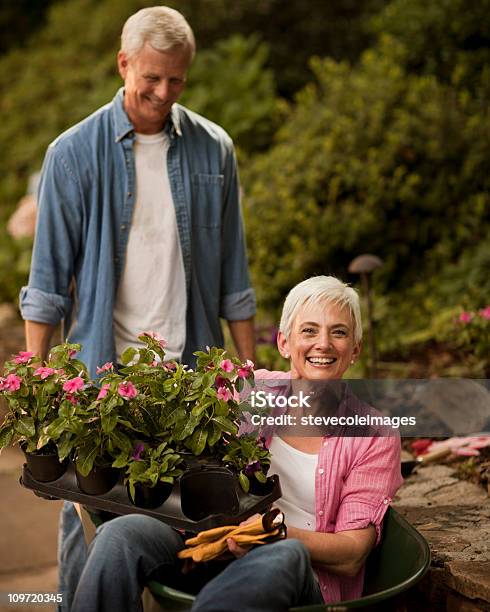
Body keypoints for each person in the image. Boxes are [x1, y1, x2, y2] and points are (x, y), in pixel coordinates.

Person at [19, 6, 256, 609]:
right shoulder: (72, 154)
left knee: (195, 523)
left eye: (177, 79)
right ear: (123, 63)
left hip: (191, 379)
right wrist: (39, 394)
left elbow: (235, 278)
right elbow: (45, 287)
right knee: (89, 524)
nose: (163, 91)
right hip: (104, 379)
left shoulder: (214, 149)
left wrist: (251, 379)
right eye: (151, 77)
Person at [70, 276, 403, 611]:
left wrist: (272, 532)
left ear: (355, 349)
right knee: (121, 536)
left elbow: (352, 553)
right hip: (212, 547)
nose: (324, 343)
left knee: (285, 554)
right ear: (284, 343)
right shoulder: (250, 391)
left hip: (296, 581)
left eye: (339, 332)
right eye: (309, 330)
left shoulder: (374, 434)